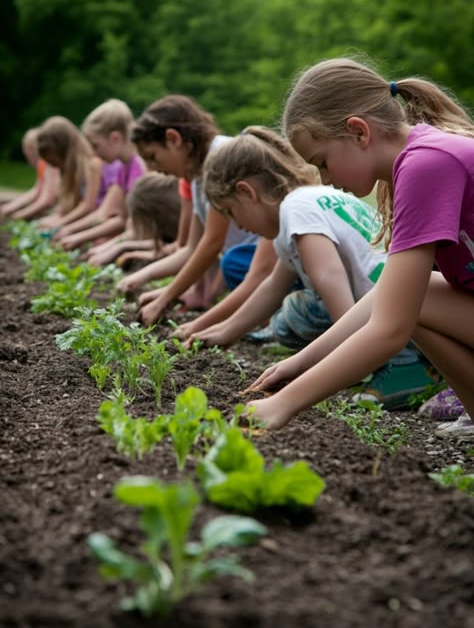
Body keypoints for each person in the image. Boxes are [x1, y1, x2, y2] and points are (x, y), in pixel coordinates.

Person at [243, 57, 474, 440]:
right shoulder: (416, 159)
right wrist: (299, 363)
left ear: (358, 132)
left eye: (323, 162)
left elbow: (390, 329)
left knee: (409, 308)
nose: (325, 180)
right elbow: (385, 300)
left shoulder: (427, 165)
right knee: (412, 297)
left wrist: (282, 405)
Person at [184, 125, 437, 410]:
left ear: (247, 192)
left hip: (398, 317)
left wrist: (347, 358)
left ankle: (403, 367)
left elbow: (329, 275)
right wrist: (227, 330)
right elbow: (272, 286)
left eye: (231, 211)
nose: (238, 224)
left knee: (296, 312)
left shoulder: (296, 209)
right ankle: (416, 360)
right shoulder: (308, 201)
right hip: (412, 306)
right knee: (292, 309)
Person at [116, 94, 258, 325]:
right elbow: (191, 248)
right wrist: (144, 276)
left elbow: (212, 242)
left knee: (231, 263)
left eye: (153, 156)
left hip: (257, 263)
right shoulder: (196, 176)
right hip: (245, 266)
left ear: (173, 139)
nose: (153, 168)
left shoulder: (219, 158)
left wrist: (165, 298)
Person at [55, 99, 146, 250]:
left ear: (115, 138)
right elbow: (104, 213)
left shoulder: (139, 167)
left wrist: (101, 245)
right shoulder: (123, 169)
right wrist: (69, 230)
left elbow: (129, 224)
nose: (93, 152)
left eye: (95, 145)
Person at [36, 116, 103, 232]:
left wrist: (59, 223)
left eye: (52, 162)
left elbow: (88, 206)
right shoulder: (69, 172)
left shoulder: (92, 165)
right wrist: (54, 220)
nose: (52, 166)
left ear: (63, 150)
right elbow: (69, 209)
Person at [0, 128, 59, 221]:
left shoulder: (48, 164)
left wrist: (18, 215)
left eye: (26, 150)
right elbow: (36, 191)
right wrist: (9, 207)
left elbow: (47, 200)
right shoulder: (42, 165)